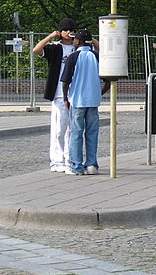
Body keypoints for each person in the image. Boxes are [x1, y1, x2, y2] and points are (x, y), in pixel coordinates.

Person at [61, 29, 110, 175]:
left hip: (77, 100)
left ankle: (76, 166)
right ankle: (91, 165)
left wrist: (65, 98)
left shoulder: (73, 57)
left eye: (75, 39)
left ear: (78, 41)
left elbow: (65, 81)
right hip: (93, 101)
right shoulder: (97, 56)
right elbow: (107, 81)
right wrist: (99, 92)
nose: (74, 41)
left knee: (76, 133)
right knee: (92, 133)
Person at [32, 18, 77, 172]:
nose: (69, 32)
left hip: (75, 93)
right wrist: (50, 37)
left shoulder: (78, 48)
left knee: (73, 129)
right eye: (66, 30)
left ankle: (70, 158)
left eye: (71, 29)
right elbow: (36, 50)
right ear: (60, 32)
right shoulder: (55, 48)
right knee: (59, 128)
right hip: (59, 93)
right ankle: (57, 161)